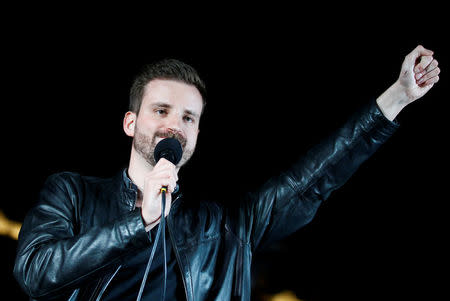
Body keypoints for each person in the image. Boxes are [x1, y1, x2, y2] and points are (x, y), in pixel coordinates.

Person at [14, 45, 440, 301]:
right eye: (161, 110)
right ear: (131, 122)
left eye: (188, 117)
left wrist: (398, 97)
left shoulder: (224, 228)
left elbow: (312, 179)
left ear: (197, 133)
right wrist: (139, 222)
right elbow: (35, 273)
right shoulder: (72, 193)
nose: (174, 125)